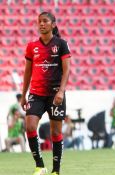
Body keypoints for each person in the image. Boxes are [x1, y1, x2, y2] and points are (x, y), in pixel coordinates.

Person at [20, 12, 71, 175]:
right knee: (29, 126)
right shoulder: (31, 46)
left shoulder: (61, 44)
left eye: (45, 21)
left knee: (55, 132)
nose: (41, 24)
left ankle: (56, 170)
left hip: (55, 94)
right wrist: (23, 94)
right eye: (39, 21)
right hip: (36, 93)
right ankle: (40, 166)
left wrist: (61, 91)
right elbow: (27, 72)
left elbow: (67, 70)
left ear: (53, 24)